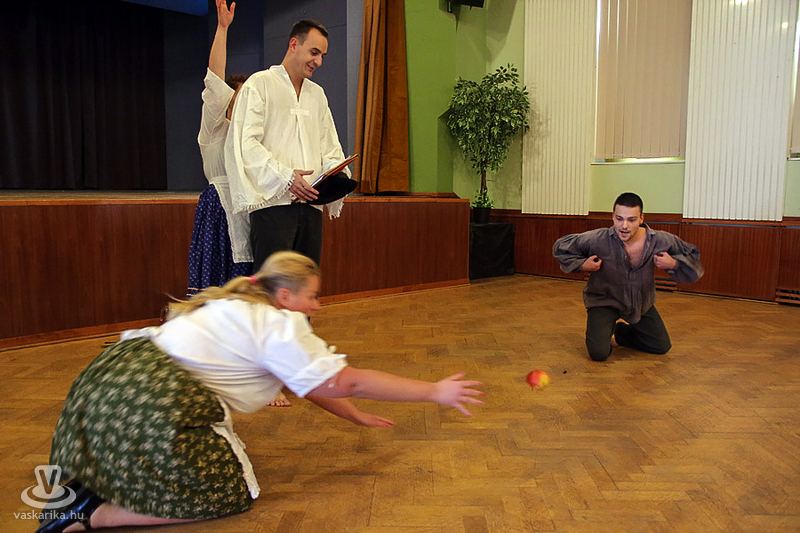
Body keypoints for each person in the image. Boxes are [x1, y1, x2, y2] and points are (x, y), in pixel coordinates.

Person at [36, 251, 483, 532]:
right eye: (312, 296)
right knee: (226, 495)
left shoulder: (235, 303)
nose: (317, 305)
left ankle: (90, 487)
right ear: (285, 296)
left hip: (107, 387)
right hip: (153, 402)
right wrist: (434, 391)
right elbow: (349, 380)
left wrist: (353, 416)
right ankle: (92, 515)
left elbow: (306, 382)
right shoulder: (279, 324)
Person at [225, 19, 351, 270]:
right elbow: (246, 144)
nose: (318, 61)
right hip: (273, 206)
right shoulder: (259, 84)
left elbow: (329, 146)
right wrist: (286, 177)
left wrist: (337, 174)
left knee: (305, 281)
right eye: (314, 52)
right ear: (294, 44)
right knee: (273, 284)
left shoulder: (317, 94)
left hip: (311, 207)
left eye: (322, 55)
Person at [552, 192, 704, 362]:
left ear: (641, 218)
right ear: (613, 216)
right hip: (604, 301)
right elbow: (561, 247)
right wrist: (582, 265)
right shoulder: (597, 239)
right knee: (598, 353)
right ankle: (604, 330)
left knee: (661, 346)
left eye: (631, 220)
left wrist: (673, 264)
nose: (624, 226)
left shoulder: (660, 240)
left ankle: (621, 332)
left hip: (640, 303)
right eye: (619, 219)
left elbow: (693, 262)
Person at [187, 0, 253, 298]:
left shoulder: (250, 138)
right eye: (240, 97)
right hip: (219, 209)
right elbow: (214, 80)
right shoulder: (215, 127)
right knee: (217, 286)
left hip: (246, 208)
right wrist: (222, 28)